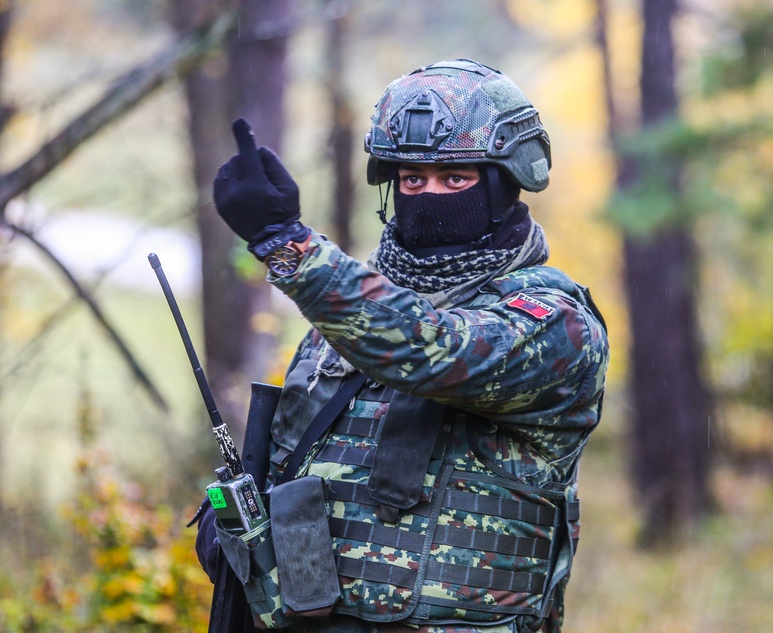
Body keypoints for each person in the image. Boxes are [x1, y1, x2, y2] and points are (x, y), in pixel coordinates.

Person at [195, 58, 610, 633]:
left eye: (455, 179)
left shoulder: (556, 326)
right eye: (413, 179)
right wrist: (247, 530)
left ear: (505, 184)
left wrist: (289, 245)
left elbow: (433, 352)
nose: (429, 196)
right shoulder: (344, 322)